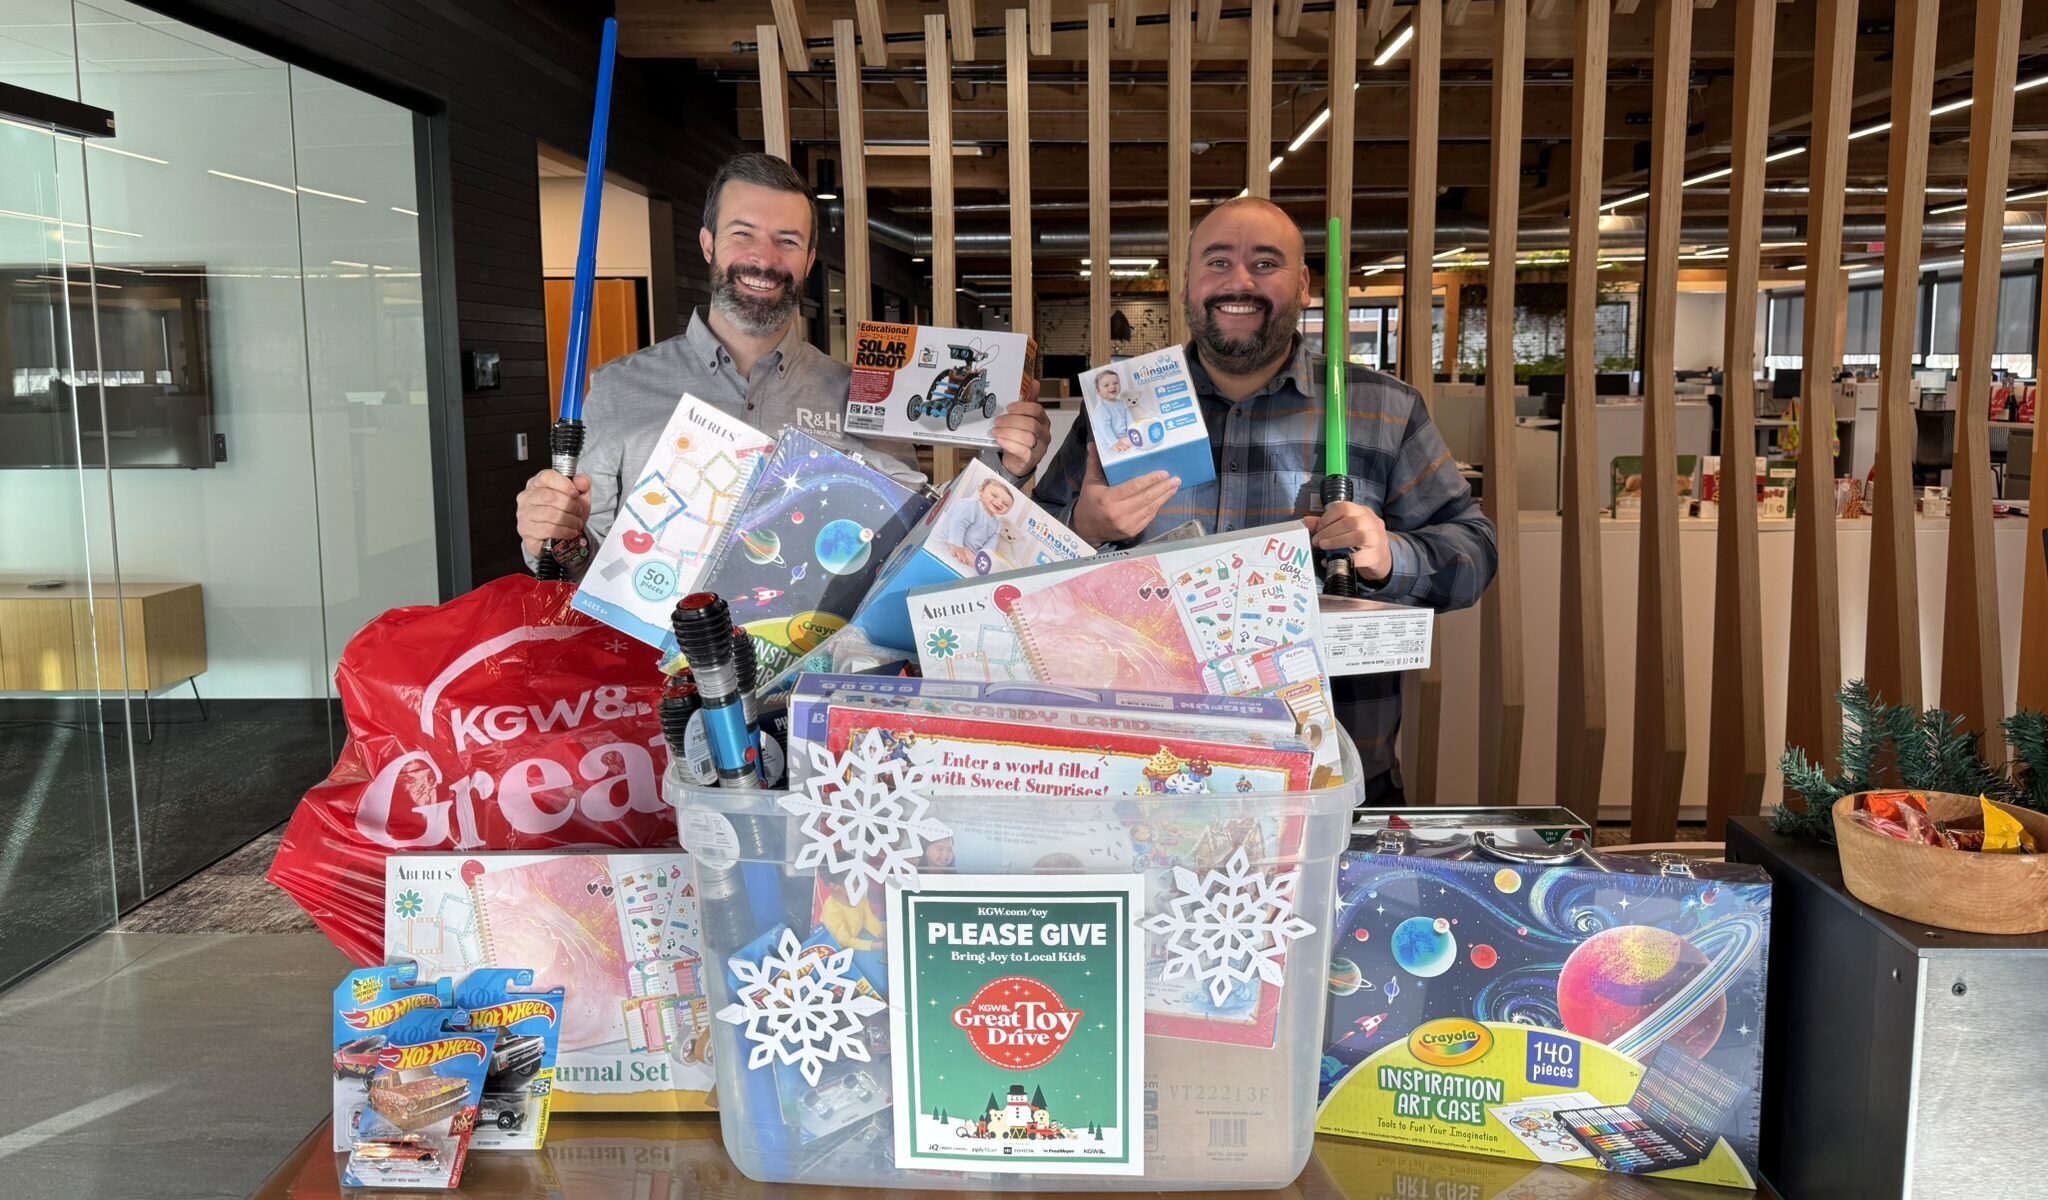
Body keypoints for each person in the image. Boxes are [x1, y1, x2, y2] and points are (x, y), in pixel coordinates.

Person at [1033, 197, 1498, 804]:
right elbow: (1022, 566)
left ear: (1302, 285)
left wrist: (1390, 557)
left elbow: (1474, 554)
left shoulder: (1383, 409)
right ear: (1187, 283)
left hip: (1329, 781)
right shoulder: (1120, 406)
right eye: (1218, 262)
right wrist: (1084, 527)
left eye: (1265, 263)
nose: (1240, 282)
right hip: (1144, 777)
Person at [517, 153, 1053, 575]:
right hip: (655, 667)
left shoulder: (862, 393)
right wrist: (552, 534)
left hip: (807, 666)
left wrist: (1007, 467)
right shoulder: (619, 387)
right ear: (708, 244)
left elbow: (910, 541)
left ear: (809, 261)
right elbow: (584, 563)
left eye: (787, 241)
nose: (765, 258)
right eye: (743, 234)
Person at [935, 476, 1016, 566]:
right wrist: (956, 544)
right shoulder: (972, 505)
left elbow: (990, 545)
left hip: (970, 550)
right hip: (951, 538)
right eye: (994, 495)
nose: (999, 503)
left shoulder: (996, 524)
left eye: (1005, 504)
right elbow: (958, 523)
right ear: (981, 491)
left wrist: (982, 557)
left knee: (978, 564)